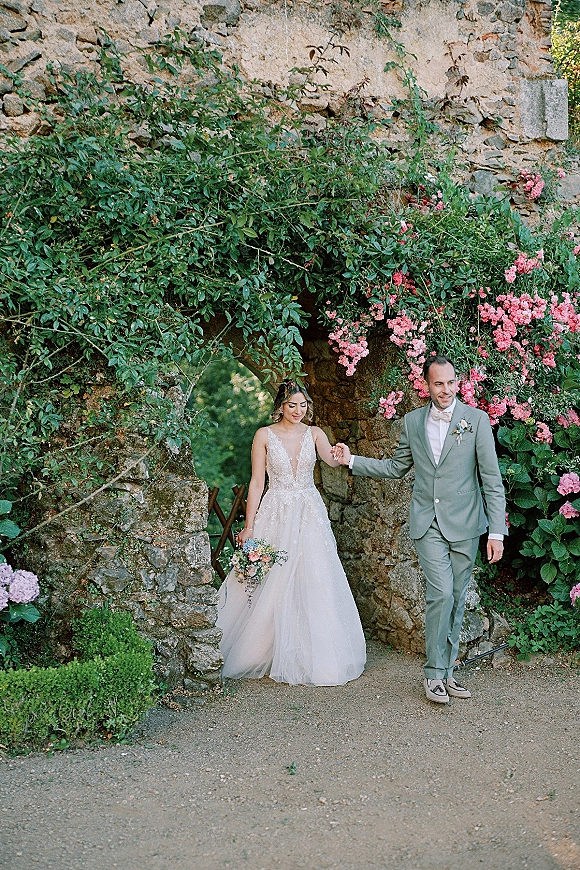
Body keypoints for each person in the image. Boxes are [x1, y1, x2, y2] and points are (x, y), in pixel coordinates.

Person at [332, 355, 506, 704]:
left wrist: (497, 532)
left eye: (451, 382)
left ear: (458, 383)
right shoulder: (412, 422)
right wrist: (351, 460)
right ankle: (432, 674)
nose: (445, 390)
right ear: (426, 386)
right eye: (438, 383)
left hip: (467, 524)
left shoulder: (476, 421)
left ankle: (448, 670)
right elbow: (396, 468)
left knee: (457, 600)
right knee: (440, 593)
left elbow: (491, 480)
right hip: (427, 523)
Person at [216, 379, 366, 687]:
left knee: (315, 574)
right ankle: (263, 649)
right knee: (272, 577)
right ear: (280, 407)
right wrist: (249, 525)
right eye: (291, 405)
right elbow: (257, 482)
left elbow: (330, 458)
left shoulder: (315, 433)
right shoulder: (264, 435)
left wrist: (343, 453)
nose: (298, 411)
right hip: (276, 510)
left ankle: (315, 652)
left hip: (309, 511)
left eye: (302, 405)